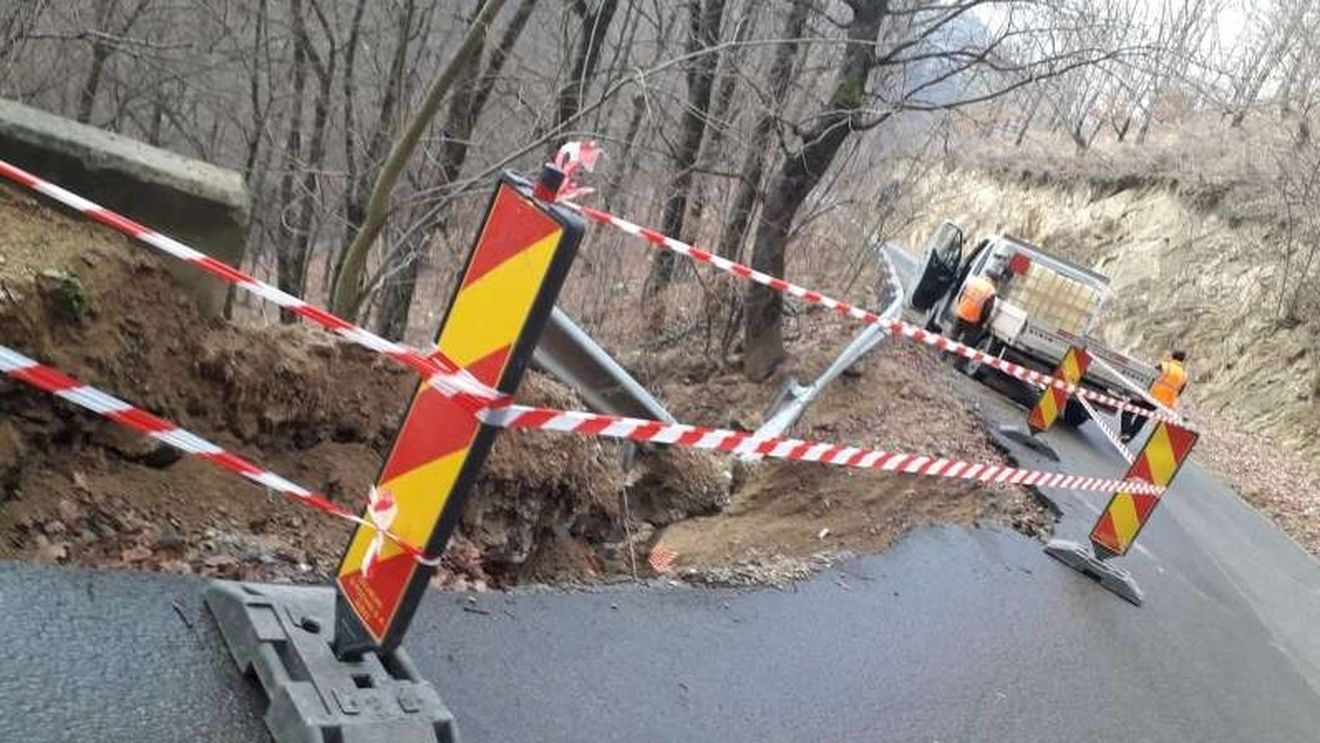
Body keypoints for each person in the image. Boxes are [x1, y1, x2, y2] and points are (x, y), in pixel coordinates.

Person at [1121, 349, 1188, 443]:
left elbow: (1148, 376)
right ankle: (1129, 437)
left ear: (1172, 355)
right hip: (1159, 401)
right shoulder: (1184, 375)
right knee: (1142, 418)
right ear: (1183, 360)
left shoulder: (1165, 366)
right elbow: (1179, 392)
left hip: (1149, 395)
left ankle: (1125, 432)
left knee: (1128, 411)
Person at [949, 270, 999, 349]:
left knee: (953, 335)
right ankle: (958, 356)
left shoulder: (973, 281)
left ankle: (945, 352)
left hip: (962, 312)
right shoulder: (991, 291)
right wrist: (981, 322)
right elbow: (987, 310)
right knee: (966, 343)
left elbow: (961, 295)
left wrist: (960, 306)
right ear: (994, 281)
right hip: (973, 319)